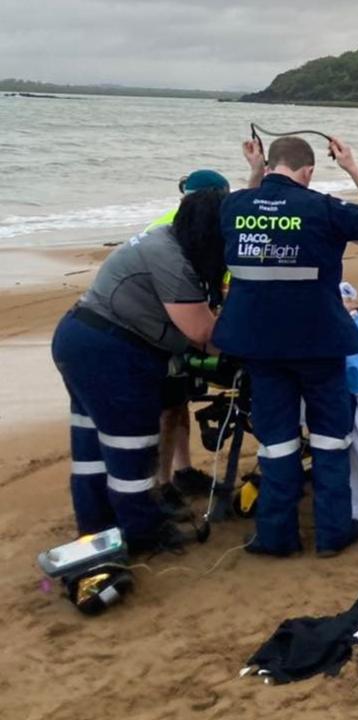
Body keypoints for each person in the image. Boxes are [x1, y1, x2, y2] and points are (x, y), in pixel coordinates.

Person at [213, 135, 358, 558]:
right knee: (330, 437)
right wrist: (352, 166)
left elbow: (254, 203)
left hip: (258, 344)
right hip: (317, 341)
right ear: (308, 171)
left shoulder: (234, 204)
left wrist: (255, 170)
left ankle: (277, 536)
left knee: (276, 440)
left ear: (268, 165)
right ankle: (332, 532)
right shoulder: (321, 207)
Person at [50, 183, 227, 552]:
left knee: (91, 448)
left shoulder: (163, 239)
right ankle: (141, 532)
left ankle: (97, 526)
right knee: (131, 447)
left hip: (79, 337)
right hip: (112, 351)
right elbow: (201, 332)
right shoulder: (172, 259)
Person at [145, 168, 262, 509]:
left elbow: (220, 283)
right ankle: (162, 483)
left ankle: (181, 471)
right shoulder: (181, 230)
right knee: (168, 406)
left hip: (184, 314)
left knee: (178, 402)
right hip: (164, 326)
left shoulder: (188, 219)